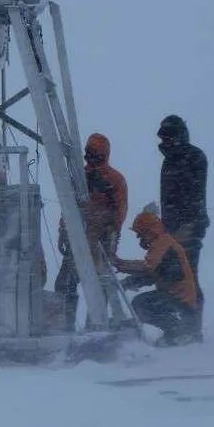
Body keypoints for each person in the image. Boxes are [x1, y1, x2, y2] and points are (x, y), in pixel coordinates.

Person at [54, 133, 128, 330]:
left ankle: (95, 326)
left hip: (100, 241)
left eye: (95, 152)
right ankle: (66, 325)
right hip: (78, 239)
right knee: (65, 283)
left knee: (99, 285)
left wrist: (111, 234)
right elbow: (69, 207)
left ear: (104, 153)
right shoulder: (80, 176)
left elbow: (120, 212)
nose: (91, 155)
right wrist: (63, 231)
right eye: (89, 152)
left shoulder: (114, 179)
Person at [113, 212, 199, 346]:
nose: (140, 239)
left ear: (150, 231)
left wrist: (121, 265)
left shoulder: (163, 243)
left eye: (141, 234)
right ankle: (176, 329)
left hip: (180, 299)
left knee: (142, 304)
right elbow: (155, 273)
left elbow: (148, 268)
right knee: (141, 303)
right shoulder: (162, 244)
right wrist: (130, 281)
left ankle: (178, 331)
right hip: (175, 297)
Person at [157, 115, 209, 330]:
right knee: (174, 277)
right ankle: (181, 326)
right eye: (163, 137)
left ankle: (191, 328)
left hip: (189, 229)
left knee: (189, 278)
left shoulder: (193, 156)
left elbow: (194, 195)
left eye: (168, 137)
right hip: (173, 229)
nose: (164, 142)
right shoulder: (171, 159)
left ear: (179, 136)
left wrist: (187, 226)